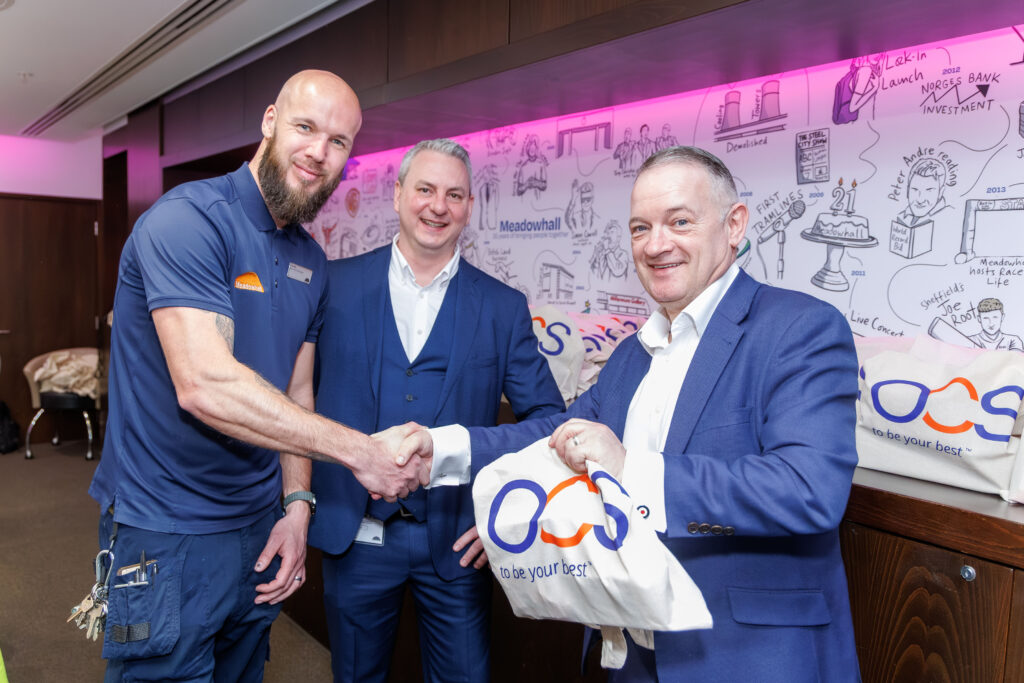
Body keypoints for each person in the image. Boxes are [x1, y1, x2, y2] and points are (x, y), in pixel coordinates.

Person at [406, 146, 861, 681]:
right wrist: (442, 448)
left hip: (745, 655)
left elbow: (809, 490)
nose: (656, 245)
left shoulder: (800, 329)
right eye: (640, 228)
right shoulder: (631, 354)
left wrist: (630, 470)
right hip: (633, 648)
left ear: (734, 225)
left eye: (680, 222)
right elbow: (559, 431)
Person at [88, 70, 427, 682]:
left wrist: (297, 506)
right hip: (165, 530)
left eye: (339, 141)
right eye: (305, 127)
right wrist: (360, 453)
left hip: (257, 528)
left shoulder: (309, 261)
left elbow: (296, 391)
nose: (319, 153)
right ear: (270, 121)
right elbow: (205, 385)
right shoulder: (188, 221)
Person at [306, 139, 564, 682]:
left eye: (453, 194)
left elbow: (548, 421)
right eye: (424, 189)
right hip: (354, 531)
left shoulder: (502, 307)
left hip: (457, 542)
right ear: (398, 195)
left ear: (470, 206)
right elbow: (298, 398)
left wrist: (507, 518)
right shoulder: (335, 286)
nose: (437, 206)